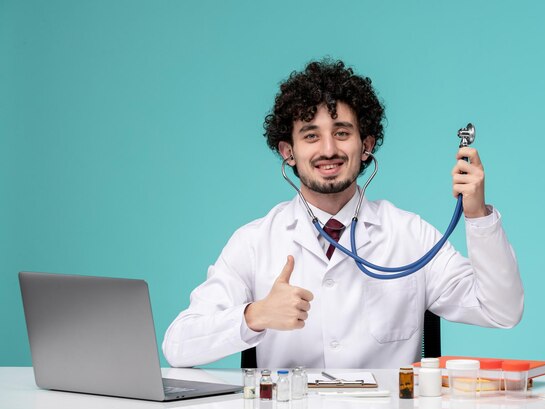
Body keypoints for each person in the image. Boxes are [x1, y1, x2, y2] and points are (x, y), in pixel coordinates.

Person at [162, 59, 524, 369]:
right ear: (288, 152)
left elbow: (500, 310)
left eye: (342, 132)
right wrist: (254, 316)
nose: (329, 149)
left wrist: (476, 214)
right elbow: (178, 345)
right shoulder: (254, 243)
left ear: (365, 146)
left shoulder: (409, 236)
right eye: (311, 136)